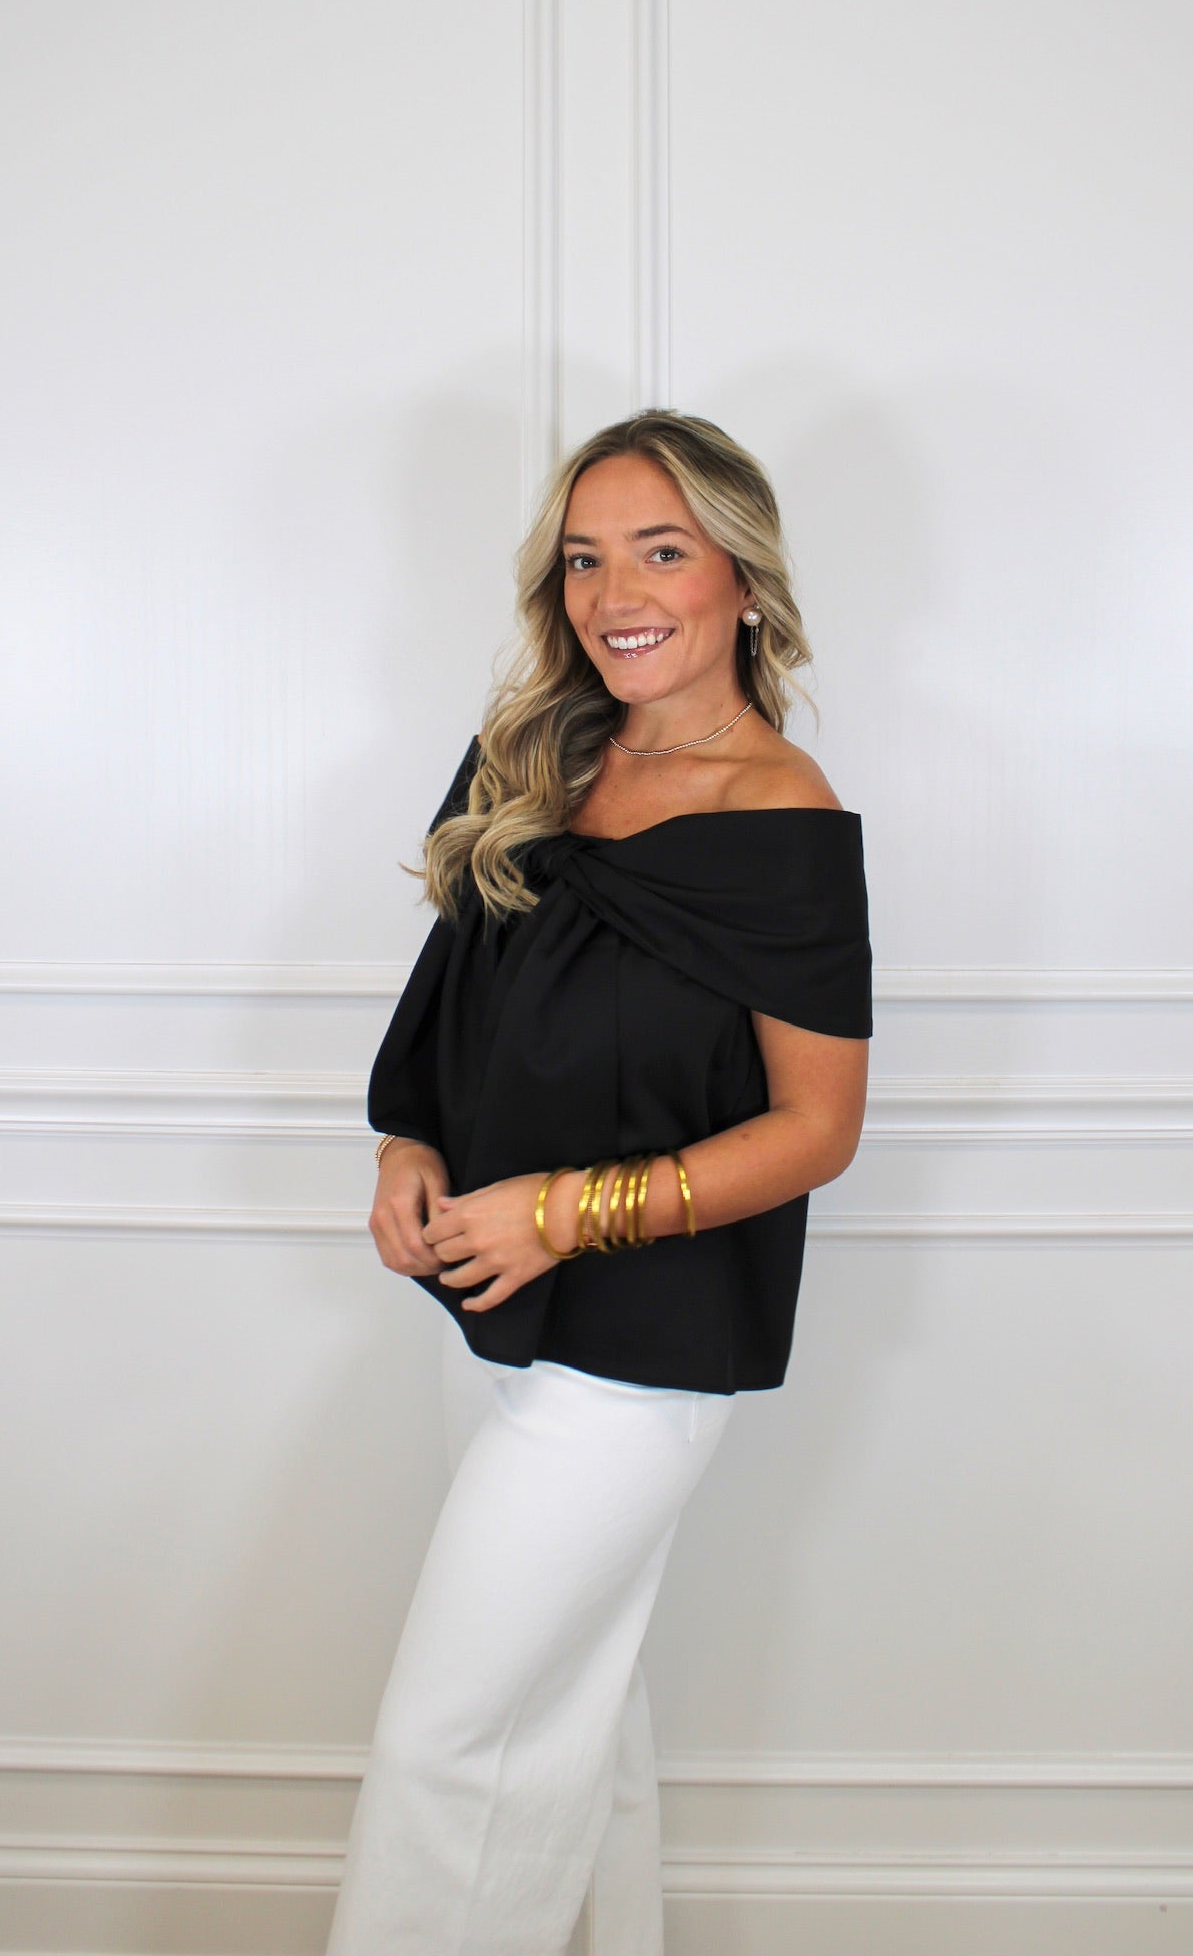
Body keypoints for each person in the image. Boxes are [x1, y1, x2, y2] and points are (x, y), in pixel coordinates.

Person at [327, 409, 871, 1956]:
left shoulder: (780, 815)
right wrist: (409, 1149)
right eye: (582, 559)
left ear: (740, 581)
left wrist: (563, 1212)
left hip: (646, 1344)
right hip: (486, 1301)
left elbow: (817, 1127)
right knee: (573, 1708)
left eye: (660, 551)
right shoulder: (531, 758)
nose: (615, 594)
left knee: (452, 1736)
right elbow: (451, 1014)